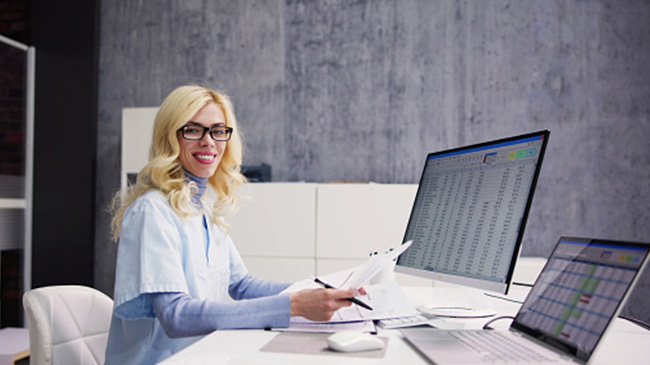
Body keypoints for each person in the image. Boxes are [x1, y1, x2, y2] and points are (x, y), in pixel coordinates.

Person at [105, 85, 360, 364]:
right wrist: (295, 305)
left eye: (218, 130)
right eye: (193, 130)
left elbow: (243, 285)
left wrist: (317, 292)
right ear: (170, 137)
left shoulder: (201, 208)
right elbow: (176, 316)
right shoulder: (152, 211)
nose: (209, 141)